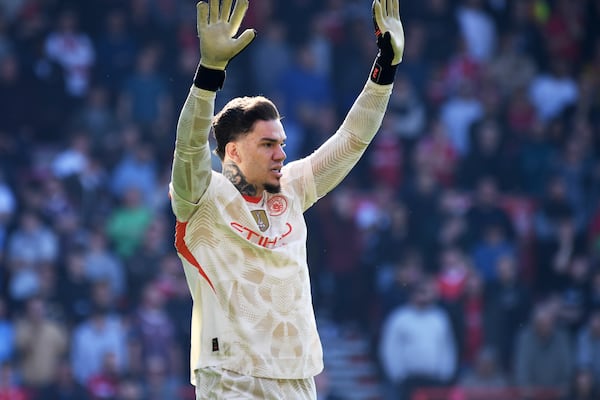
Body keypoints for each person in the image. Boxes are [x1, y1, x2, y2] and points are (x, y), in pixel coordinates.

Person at [168, 0, 405, 398]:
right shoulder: (200, 196)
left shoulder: (292, 188)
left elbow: (351, 140)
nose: (281, 154)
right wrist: (209, 73)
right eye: (267, 144)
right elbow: (188, 147)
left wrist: (385, 70)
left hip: (297, 378)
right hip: (231, 376)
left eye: (282, 143)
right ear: (233, 151)